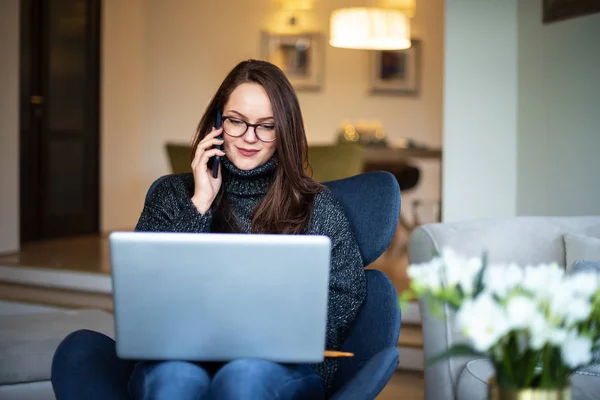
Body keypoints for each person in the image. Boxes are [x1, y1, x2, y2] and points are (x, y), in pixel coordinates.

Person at [51, 59, 367, 400]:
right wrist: (200, 203)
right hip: (175, 360)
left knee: (244, 376)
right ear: (218, 122)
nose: (249, 137)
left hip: (277, 367)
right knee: (175, 377)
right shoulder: (170, 195)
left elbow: (345, 294)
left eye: (266, 126)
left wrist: (279, 332)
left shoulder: (316, 206)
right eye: (236, 121)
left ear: (284, 131)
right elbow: (147, 291)